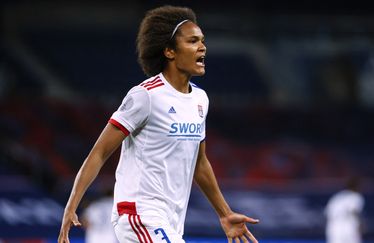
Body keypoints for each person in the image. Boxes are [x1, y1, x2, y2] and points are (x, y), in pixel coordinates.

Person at [58, 5, 259, 243]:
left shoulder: (200, 99)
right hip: (138, 213)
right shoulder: (146, 96)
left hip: (172, 219)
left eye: (203, 41)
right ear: (169, 52)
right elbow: (99, 153)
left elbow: (200, 162)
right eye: (193, 41)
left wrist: (224, 213)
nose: (202, 47)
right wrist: (71, 206)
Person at [324, 177, 365, 243]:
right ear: (357, 186)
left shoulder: (337, 196)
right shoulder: (355, 196)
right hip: (347, 226)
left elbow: (327, 213)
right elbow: (354, 211)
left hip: (333, 226)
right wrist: (360, 224)